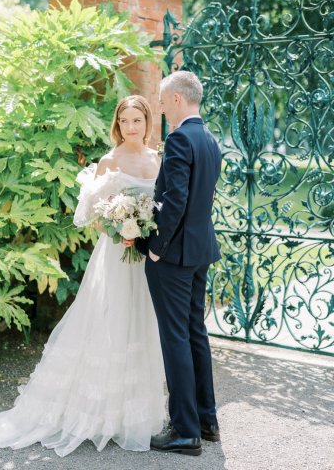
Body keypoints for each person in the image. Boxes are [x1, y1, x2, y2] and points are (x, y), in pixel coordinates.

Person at [0, 95, 166, 456]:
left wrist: (142, 230)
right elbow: (93, 212)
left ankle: (132, 413)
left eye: (137, 120)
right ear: (117, 125)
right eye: (124, 121)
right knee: (109, 322)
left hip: (144, 259)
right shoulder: (110, 160)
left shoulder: (158, 159)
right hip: (114, 254)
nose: (131, 127)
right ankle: (97, 411)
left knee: (141, 323)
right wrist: (118, 226)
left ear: (147, 122)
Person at [136, 71, 222, 456]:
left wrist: (154, 247)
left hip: (172, 256)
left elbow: (174, 202)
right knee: (194, 334)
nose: (159, 105)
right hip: (200, 251)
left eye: (161, 98)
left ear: (176, 98)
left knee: (175, 339)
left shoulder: (179, 138)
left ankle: (185, 432)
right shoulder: (210, 140)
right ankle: (206, 420)